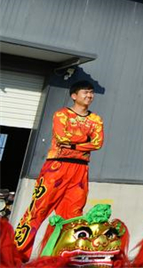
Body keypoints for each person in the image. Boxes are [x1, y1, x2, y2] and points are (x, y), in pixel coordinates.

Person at [14, 81, 104, 261]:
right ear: (74, 95)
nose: (89, 95)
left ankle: (57, 258)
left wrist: (73, 142)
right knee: (37, 210)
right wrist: (84, 138)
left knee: (72, 217)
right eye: (85, 92)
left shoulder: (96, 119)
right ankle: (15, 255)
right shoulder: (61, 114)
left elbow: (97, 143)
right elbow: (62, 137)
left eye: (91, 93)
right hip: (56, 167)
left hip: (80, 170)